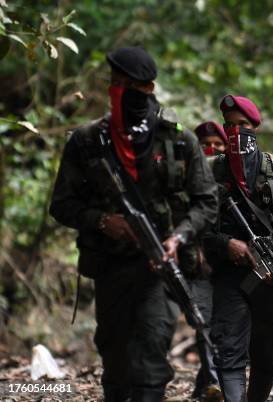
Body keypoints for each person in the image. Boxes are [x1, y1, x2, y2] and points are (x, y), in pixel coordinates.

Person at [49, 47, 218, 402]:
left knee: (151, 355)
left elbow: (206, 202)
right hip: (111, 267)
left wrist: (179, 237)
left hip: (160, 267)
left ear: (149, 88)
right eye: (114, 83)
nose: (119, 91)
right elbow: (62, 205)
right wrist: (102, 221)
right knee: (116, 360)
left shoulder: (179, 140)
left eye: (128, 85)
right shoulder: (88, 141)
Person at [203, 94, 273, 402]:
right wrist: (225, 244)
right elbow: (193, 224)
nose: (235, 131)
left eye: (242, 125)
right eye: (229, 126)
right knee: (229, 351)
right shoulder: (211, 170)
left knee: (269, 353)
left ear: (255, 126)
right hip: (230, 273)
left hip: (272, 273)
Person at [188, 121, 227, 400]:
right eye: (205, 146)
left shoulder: (236, 177)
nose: (211, 150)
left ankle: (205, 384)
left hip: (228, 264)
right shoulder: (186, 178)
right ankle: (213, 384)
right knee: (204, 323)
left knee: (224, 328)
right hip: (197, 261)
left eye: (217, 145)